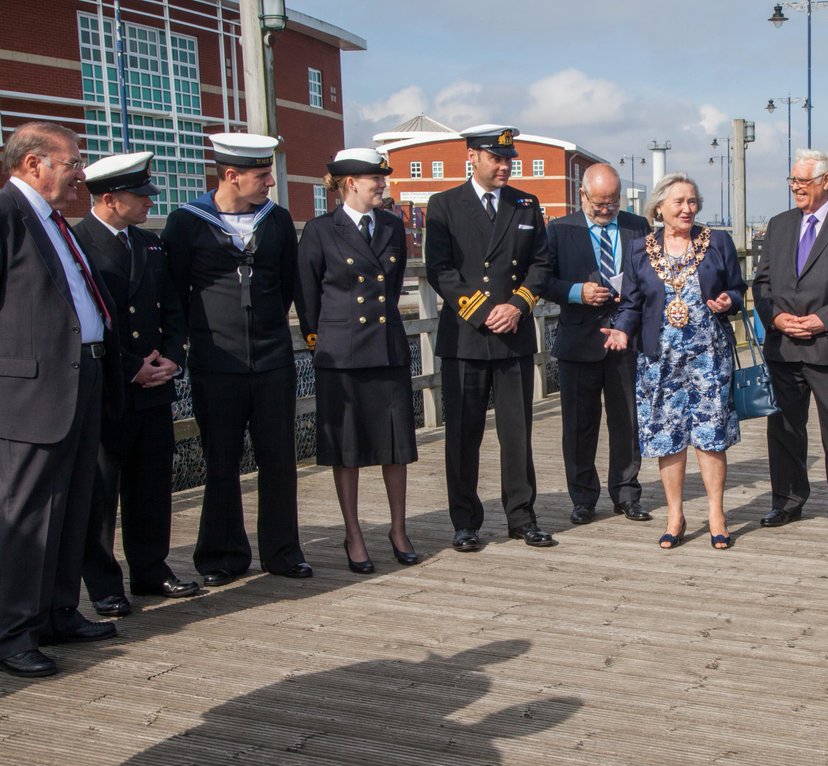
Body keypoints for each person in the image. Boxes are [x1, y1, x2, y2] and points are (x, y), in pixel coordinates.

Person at [0, 122, 123, 678]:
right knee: (27, 516)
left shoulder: (55, 222)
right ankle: (13, 633)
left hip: (81, 378)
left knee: (74, 506)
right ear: (33, 165)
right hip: (29, 392)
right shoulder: (8, 214)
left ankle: (57, 612)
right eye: (72, 162)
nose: (80, 171)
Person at [162, 132, 312, 586]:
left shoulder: (278, 220)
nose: (270, 182)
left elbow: (290, 283)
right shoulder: (187, 221)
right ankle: (222, 556)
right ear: (231, 175)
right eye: (262, 175)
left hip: (271, 360)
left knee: (279, 458)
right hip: (215, 361)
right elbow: (172, 292)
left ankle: (282, 552)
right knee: (222, 460)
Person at [76, 152, 199, 618]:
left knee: (151, 486)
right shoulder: (78, 243)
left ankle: (151, 569)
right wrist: (130, 366)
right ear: (110, 199)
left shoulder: (148, 244)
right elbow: (83, 320)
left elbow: (172, 307)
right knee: (103, 492)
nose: (150, 204)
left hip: (155, 387)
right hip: (110, 388)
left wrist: (172, 355)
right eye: (140, 196)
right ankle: (105, 584)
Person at [425, 125, 556, 552]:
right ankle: (465, 522)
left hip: (513, 334)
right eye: (496, 159)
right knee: (463, 435)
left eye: (508, 160)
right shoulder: (444, 205)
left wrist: (518, 304)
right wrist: (483, 311)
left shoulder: (525, 203)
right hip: (465, 336)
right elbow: (440, 270)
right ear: (473, 158)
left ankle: (522, 517)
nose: (504, 166)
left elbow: (540, 264)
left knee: (516, 434)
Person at [601, 173, 744, 550]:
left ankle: (716, 514)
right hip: (658, 360)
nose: (687, 209)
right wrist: (621, 330)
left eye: (692, 201)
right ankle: (675, 515)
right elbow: (632, 304)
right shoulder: (639, 249)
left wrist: (730, 300)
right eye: (679, 202)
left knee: (711, 438)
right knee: (668, 438)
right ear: (659, 207)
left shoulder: (718, 242)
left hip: (708, 356)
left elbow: (738, 287)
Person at [295, 148, 418, 573]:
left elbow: (396, 280)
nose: (382, 185)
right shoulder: (320, 230)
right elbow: (308, 297)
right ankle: (354, 534)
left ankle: (398, 530)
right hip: (342, 354)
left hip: (385, 349)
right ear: (350, 184)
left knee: (396, 445)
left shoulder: (390, 225)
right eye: (374, 179)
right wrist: (322, 341)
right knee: (346, 451)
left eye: (381, 178)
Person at [752, 149, 828, 534]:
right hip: (784, 344)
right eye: (792, 181)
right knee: (785, 428)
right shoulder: (779, 224)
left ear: (827, 181)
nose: (795, 188)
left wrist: (823, 320)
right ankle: (787, 501)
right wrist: (774, 316)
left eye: (802, 182)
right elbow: (762, 282)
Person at [545, 164, 652, 526]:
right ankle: (583, 498)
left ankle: (626, 494)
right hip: (578, 339)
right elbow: (543, 281)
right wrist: (577, 291)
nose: (606, 209)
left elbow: (651, 277)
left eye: (613, 202)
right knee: (579, 426)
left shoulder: (637, 226)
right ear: (583, 195)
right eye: (599, 203)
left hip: (625, 339)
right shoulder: (559, 230)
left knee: (627, 421)